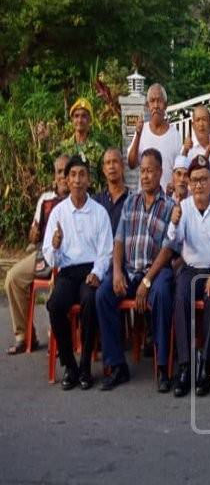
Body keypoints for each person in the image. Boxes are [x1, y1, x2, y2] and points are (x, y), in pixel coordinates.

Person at [96, 148, 176, 391]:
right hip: (130, 271)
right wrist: (117, 272)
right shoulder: (131, 202)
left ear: (160, 172)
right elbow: (119, 240)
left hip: (155, 272)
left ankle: (163, 367)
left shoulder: (170, 206)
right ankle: (117, 366)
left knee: (162, 294)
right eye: (142, 171)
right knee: (103, 294)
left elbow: (168, 249)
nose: (145, 176)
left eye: (150, 171)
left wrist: (147, 281)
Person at [42, 156, 113, 390]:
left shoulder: (99, 212)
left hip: (90, 270)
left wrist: (97, 273)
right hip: (67, 272)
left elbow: (106, 251)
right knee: (55, 305)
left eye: (82, 175)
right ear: (66, 180)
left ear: (89, 180)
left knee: (91, 301)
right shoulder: (58, 213)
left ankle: (85, 366)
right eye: (72, 175)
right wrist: (55, 245)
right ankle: (70, 366)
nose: (77, 180)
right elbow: (50, 257)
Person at [165, 155, 210, 397]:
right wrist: (173, 222)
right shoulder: (184, 207)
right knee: (180, 297)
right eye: (194, 180)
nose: (199, 185)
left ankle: (206, 367)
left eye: (203, 179)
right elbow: (175, 240)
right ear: (189, 184)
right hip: (190, 269)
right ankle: (185, 366)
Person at [5, 155, 69, 355]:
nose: (63, 176)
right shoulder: (45, 199)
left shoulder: (77, 198)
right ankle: (24, 336)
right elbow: (34, 235)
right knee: (13, 278)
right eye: (59, 172)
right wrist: (33, 234)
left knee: (57, 283)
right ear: (54, 176)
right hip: (44, 254)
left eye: (66, 171)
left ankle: (58, 338)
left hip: (67, 258)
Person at [127, 83, 182, 192]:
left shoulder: (174, 135)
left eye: (159, 101)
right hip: (145, 198)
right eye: (152, 101)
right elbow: (131, 164)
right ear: (148, 106)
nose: (156, 105)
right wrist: (138, 135)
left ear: (165, 105)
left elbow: (179, 170)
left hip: (167, 198)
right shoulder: (141, 130)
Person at [56, 97, 105, 187]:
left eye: (84, 116)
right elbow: (48, 167)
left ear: (90, 120)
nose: (79, 120)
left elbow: (104, 180)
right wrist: (43, 142)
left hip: (90, 195)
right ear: (72, 120)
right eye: (76, 116)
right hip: (68, 195)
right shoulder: (63, 147)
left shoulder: (97, 150)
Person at [93, 148, 130, 236]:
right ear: (104, 169)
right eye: (108, 163)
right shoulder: (96, 201)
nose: (111, 166)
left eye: (115, 162)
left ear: (122, 166)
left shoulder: (133, 200)